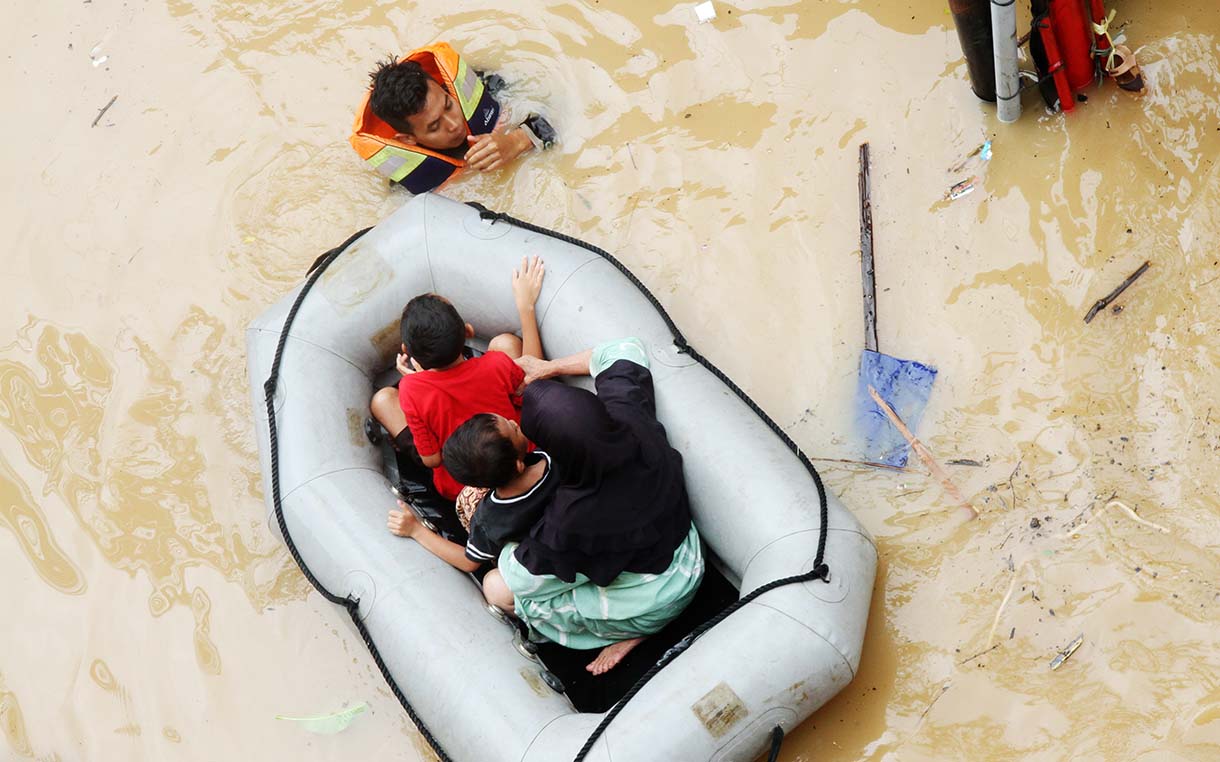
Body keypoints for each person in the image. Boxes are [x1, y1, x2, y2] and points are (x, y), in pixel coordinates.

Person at [390, 338, 705, 676]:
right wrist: (550, 368)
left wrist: (492, 540)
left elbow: (522, 579)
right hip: (681, 541)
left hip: (661, 590)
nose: (516, 421)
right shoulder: (626, 414)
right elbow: (623, 349)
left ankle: (634, 629)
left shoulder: (566, 524)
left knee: (498, 588)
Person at [371, 256, 545, 510]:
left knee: (383, 400)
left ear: (407, 350)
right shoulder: (496, 364)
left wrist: (418, 384)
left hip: (460, 484)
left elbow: (431, 459)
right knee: (505, 342)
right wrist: (526, 307)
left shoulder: (410, 389)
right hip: (516, 451)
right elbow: (535, 381)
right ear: (469, 332)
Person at [350, 41, 556, 194]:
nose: (453, 125)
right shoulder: (413, 183)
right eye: (434, 126)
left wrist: (516, 141)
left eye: (448, 105)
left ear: (446, 90)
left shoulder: (489, 87)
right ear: (407, 139)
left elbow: (558, 117)